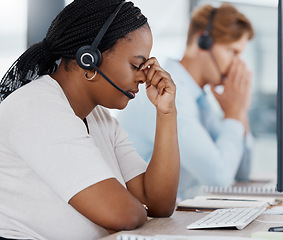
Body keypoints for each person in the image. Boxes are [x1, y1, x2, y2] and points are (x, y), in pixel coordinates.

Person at [0, 0, 179, 239]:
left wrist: (166, 113)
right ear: (89, 58)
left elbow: (159, 204)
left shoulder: (99, 118)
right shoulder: (38, 107)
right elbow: (124, 214)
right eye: (137, 64)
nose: (143, 77)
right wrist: (136, 207)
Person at [118, 3, 254, 199]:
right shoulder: (168, 92)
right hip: (149, 217)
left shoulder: (199, 99)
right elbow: (219, 178)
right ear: (202, 42)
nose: (238, 64)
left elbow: (241, 173)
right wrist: (234, 114)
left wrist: (239, 112)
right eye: (232, 52)